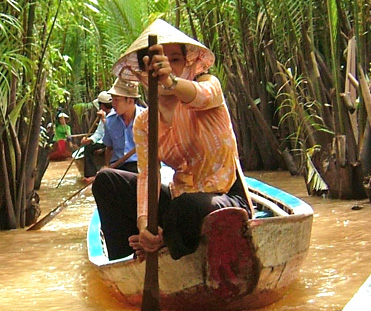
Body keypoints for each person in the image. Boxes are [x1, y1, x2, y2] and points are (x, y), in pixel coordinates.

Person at [92, 18, 252, 261]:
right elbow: (148, 176)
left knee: (185, 208)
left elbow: (201, 95)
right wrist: (144, 224)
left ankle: (165, 241)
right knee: (107, 180)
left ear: (188, 65)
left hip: (223, 199)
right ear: (143, 73)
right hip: (181, 202)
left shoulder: (208, 85)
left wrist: (171, 81)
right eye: (155, 63)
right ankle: (130, 258)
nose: (166, 66)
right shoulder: (145, 122)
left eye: (175, 59)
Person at [102, 77, 146, 173]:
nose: (113, 104)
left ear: (130, 101)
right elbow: (109, 148)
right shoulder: (110, 121)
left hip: (140, 165)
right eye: (112, 99)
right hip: (118, 167)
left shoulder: (146, 119)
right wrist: (107, 166)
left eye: (117, 100)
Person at [76, 92, 112, 182]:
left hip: (113, 141)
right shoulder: (103, 116)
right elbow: (99, 133)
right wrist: (89, 140)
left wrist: (104, 120)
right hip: (103, 142)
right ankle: (90, 175)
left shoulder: (115, 114)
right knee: (88, 147)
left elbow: (113, 133)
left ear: (102, 106)